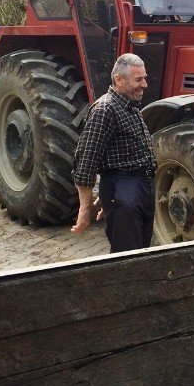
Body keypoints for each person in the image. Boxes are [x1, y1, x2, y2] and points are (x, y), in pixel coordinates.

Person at [71, 53, 157, 253]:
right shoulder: (105, 109)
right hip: (126, 190)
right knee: (126, 256)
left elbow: (118, 154)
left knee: (142, 252)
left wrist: (107, 193)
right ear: (119, 79)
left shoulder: (130, 107)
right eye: (138, 79)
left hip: (139, 188)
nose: (144, 84)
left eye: (145, 78)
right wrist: (85, 209)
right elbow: (86, 160)